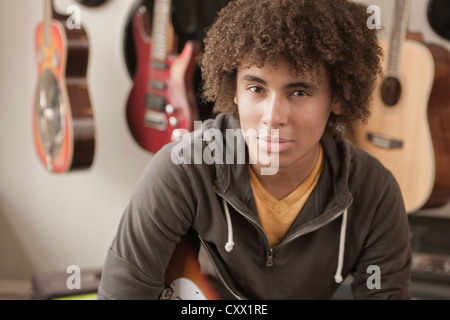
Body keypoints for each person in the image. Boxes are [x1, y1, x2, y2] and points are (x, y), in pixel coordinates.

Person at [98, 0, 412, 300]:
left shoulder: (374, 192)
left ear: (338, 98)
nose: (273, 117)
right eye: (256, 88)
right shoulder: (182, 170)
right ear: (234, 90)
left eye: (299, 91)